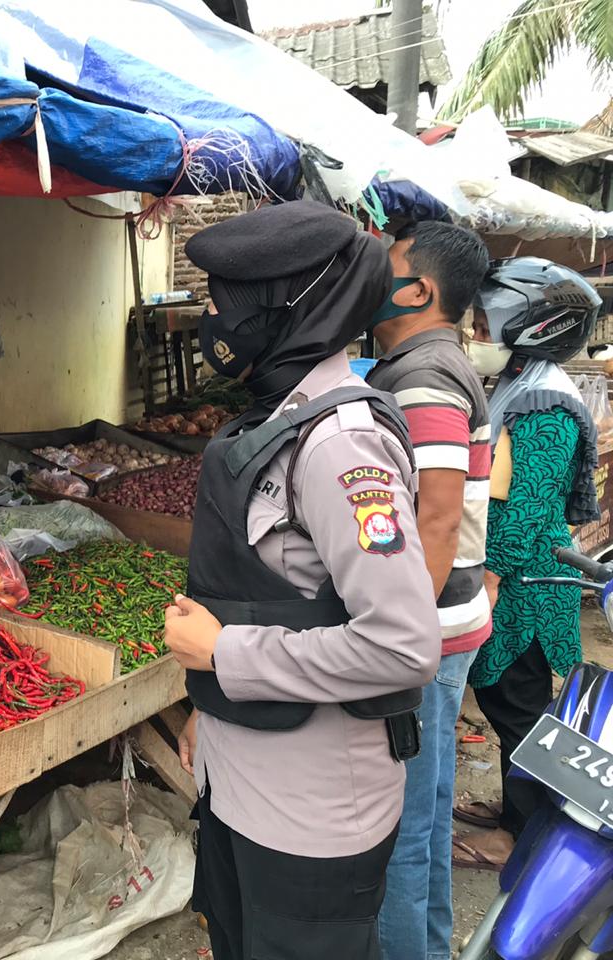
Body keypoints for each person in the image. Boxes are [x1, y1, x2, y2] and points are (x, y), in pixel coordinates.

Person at [169, 200, 441, 960]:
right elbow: (276, 595)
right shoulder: (275, 419)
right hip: (241, 785)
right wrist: (214, 705)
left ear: (291, 306)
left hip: (313, 818)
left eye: (227, 301)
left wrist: (227, 657)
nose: (214, 318)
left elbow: (402, 646)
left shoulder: (339, 444)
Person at [365, 222, 491, 960]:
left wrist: (394, 646)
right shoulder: (426, 364)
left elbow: (435, 522)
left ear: (418, 290)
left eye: (386, 268)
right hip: (446, 627)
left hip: (426, 637)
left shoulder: (424, 378)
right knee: (429, 814)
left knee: (401, 832)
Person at [451, 257, 602, 869]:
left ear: (532, 327)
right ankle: (515, 811)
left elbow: (524, 513)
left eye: (485, 325)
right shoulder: (523, 380)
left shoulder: (547, 406)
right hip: (514, 576)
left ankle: (520, 836)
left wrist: (484, 585)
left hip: (526, 587)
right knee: (509, 705)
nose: (475, 335)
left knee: (521, 710)